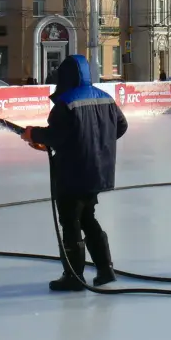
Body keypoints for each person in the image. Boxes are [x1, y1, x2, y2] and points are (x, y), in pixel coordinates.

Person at [22, 55, 128, 292]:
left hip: (73, 173)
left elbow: (56, 136)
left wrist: (33, 134)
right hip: (99, 171)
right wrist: (99, 144)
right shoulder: (106, 98)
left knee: (70, 222)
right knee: (88, 217)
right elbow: (121, 126)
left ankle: (74, 276)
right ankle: (105, 270)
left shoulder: (66, 103)